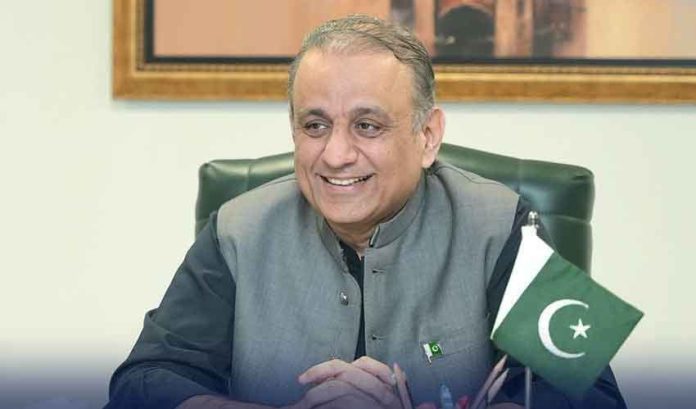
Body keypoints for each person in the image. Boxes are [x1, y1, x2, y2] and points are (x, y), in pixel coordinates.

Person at [106, 15, 626, 409]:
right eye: (315, 126)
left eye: (367, 126)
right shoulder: (237, 229)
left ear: (427, 136)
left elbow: (593, 393)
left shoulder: (504, 222)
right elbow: (143, 383)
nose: (335, 155)